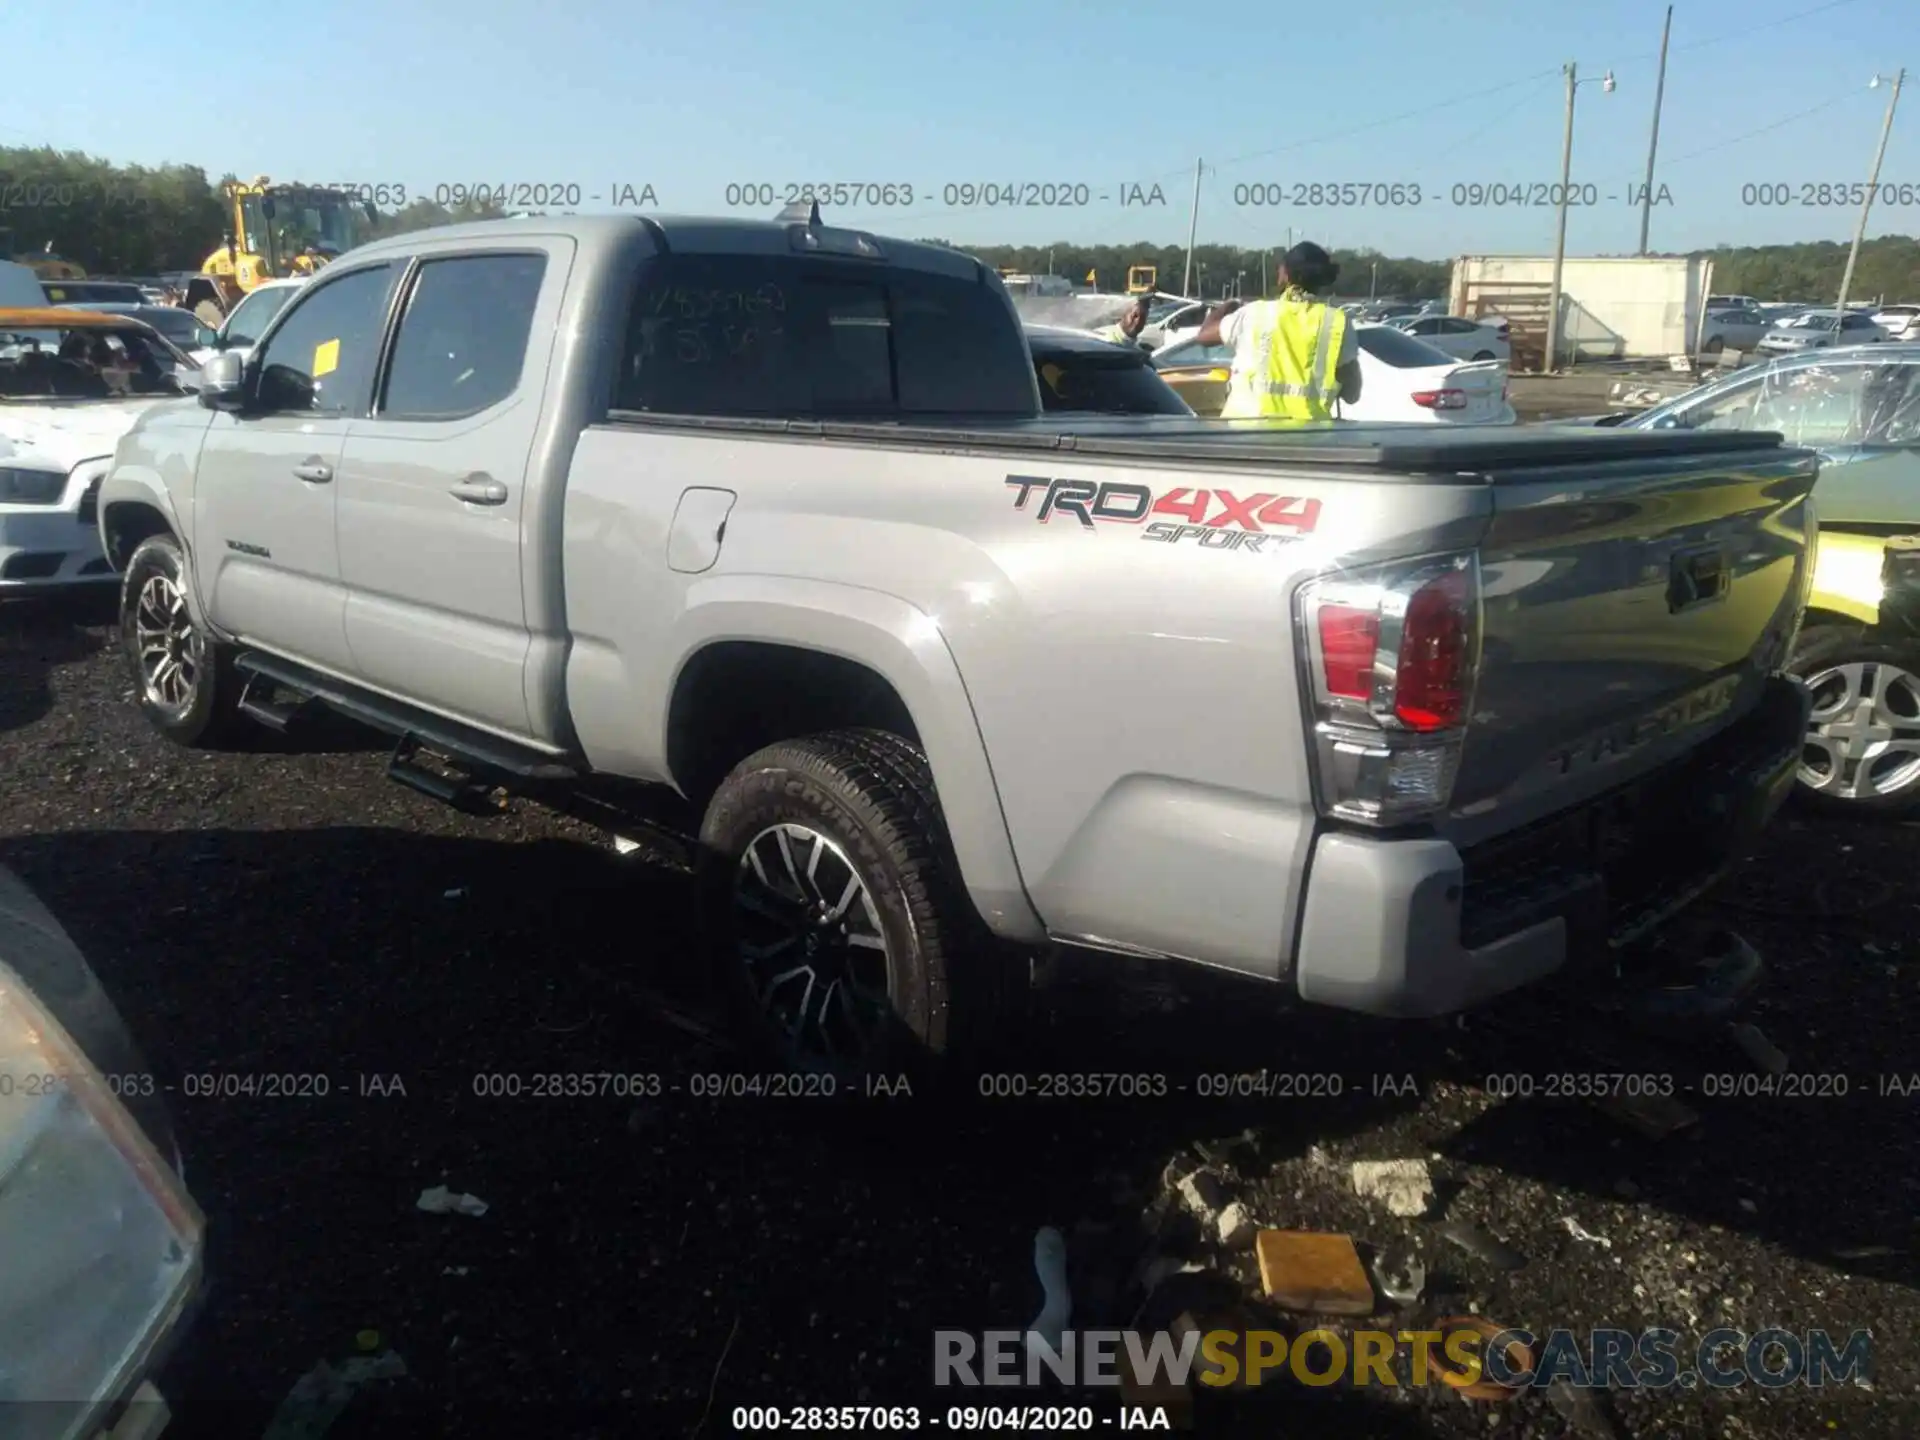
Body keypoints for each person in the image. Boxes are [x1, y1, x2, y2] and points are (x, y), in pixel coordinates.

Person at [1190, 241, 1360, 421]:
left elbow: (1204, 336)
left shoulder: (1255, 313)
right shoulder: (1335, 322)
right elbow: (1352, 394)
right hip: (1309, 438)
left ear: (1284, 275)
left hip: (1244, 435)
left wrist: (1228, 305)